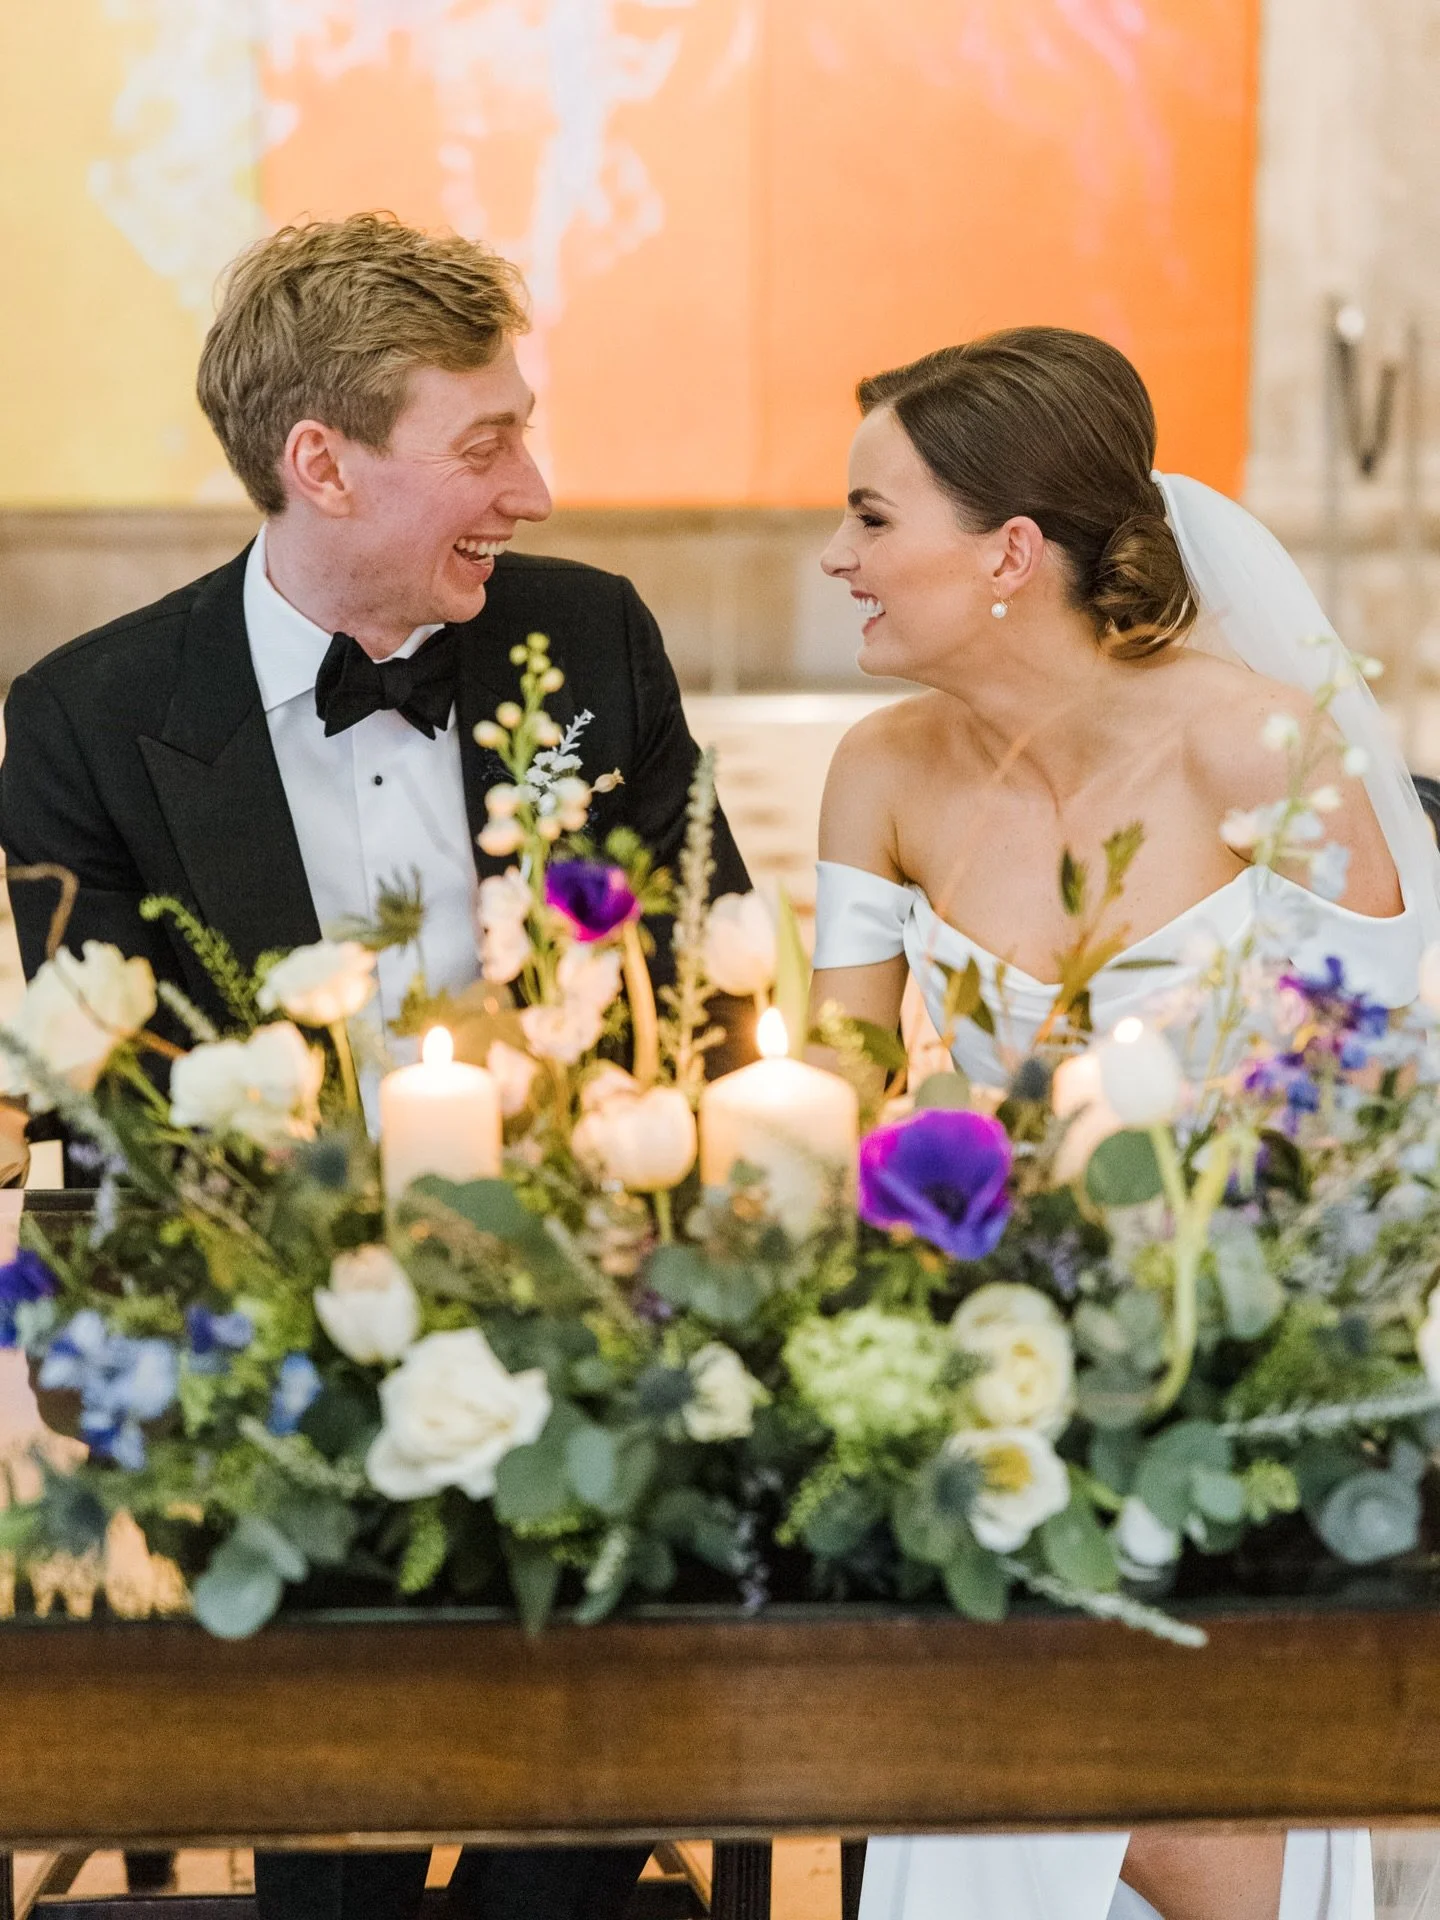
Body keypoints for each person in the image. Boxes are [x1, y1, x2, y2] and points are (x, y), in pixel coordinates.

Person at [0, 212, 748, 1920]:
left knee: (567, 1765)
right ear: (320, 464)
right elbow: (128, 1085)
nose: (536, 489)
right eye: (485, 446)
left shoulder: (593, 644)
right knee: (333, 1768)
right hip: (255, 1321)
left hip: (586, 1294)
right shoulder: (89, 718)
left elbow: (703, 970)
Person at [810, 328, 1440, 1920]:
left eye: (875, 518)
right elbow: (828, 1107)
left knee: (1100, 1728)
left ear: (1010, 550)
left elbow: (1376, 1103)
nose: (838, 555)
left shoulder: (1253, 745)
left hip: (1252, 1353)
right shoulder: (875, 773)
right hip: (987, 1355)